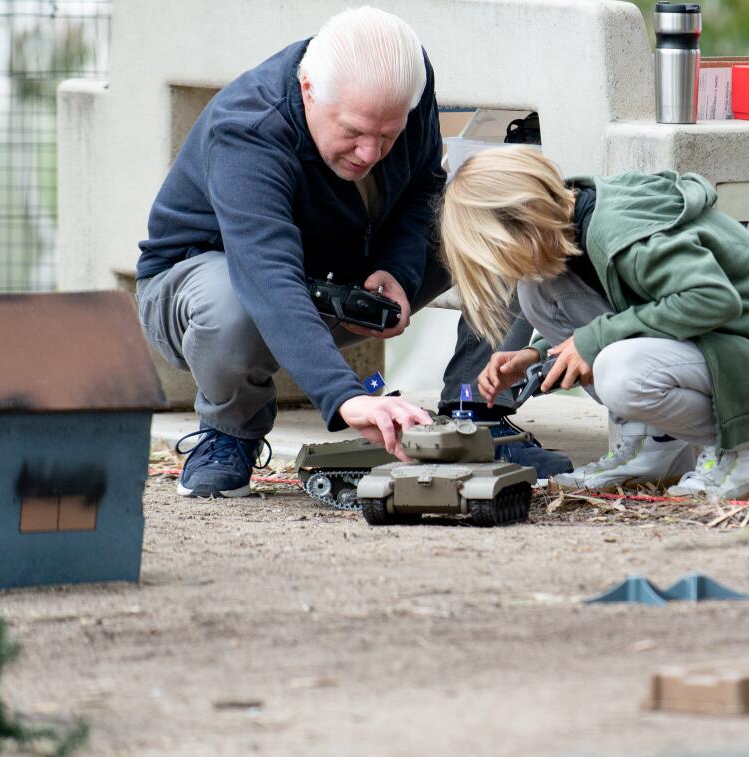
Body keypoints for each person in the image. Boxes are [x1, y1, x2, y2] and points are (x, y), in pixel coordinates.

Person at [135, 6, 570, 498]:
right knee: (232, 303)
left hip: (340, 273)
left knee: (502, 216)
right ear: (307, 92)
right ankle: (229, 431)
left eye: (388, 135)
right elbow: (267, 276)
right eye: (354, 132)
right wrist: (344, 399)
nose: (370, 153)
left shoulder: (409, 81)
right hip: (209, 291)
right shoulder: (249, 130)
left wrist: (398, 272)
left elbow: (424, 189)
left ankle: (475, 413)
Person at [438, 146, 749, 500]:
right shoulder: (574, 220)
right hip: (717, 349)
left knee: (619, 372)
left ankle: (743, 451)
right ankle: (651, 448)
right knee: (537, 292)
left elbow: (712, 299)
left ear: (521, 223)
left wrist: (594, 341)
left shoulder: (620, 233)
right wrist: (534, 355)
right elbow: (631, 308)